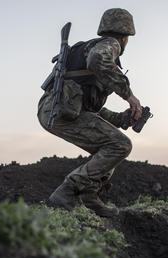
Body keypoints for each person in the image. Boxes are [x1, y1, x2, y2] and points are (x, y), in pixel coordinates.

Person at [37, 8, 142, 217]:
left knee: (108, 145)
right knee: (119, 145)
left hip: (56, 109)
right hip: (58, 110)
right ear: (124, 36)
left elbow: (88, 106)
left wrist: (120, 118)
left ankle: (90, 197)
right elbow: (97, 60)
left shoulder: (88, 48)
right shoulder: (109, 45)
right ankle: (67, 190)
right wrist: (129, 95)